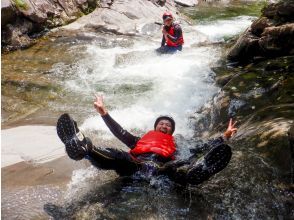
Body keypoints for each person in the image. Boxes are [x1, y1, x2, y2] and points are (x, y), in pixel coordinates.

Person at [57, 95, 237, 186]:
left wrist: (224, 136)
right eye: (162, 124)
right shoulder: (139, 140)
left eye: (168, 125)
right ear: (155, 128)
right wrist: (104, 113)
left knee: (177, 168)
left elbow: (200, 147)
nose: (165, 126)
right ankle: (85, 149)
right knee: (118, 156)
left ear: (171, 131)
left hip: (161, 167)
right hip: (135, 164)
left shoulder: (177, 143)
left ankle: (198, 173)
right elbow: (120, 132)